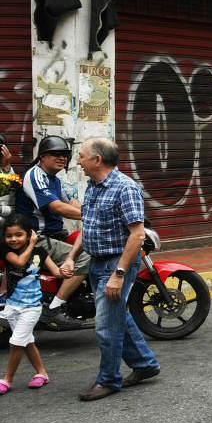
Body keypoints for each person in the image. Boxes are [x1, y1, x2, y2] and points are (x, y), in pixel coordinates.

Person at [69, 138, 160, 401]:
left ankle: (108, 380)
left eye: (82, 156)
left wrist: (118, 274)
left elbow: (137, 235)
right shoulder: (93, 187)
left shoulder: (125, 188)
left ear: (97, 160)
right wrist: (72, 257)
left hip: (115, 263)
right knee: (118, 317)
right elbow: (88, 227)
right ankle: (144, 364)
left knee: (106, 327)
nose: (78, 161)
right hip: (97, 262)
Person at [15, 136, 90, 328]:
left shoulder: (54, 180)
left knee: (90, 242)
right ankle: (55, 308)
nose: (62, 158)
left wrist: (96, 210)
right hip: (36, 238)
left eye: (64, 154)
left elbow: (70, 202)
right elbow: (56, 206)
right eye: (56, 154)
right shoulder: (36, 175)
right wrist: (91, 215)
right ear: (42, 157)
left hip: (55, 235)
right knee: (86, 258)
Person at [0, 214, 63, 395]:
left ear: (28, 234)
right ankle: (42, 374)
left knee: (17, 342)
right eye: (9, 235)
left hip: (32, 307)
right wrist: (32, 244)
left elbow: (56, 272)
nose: (13, 239)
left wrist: (67, 269)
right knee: (26, 341)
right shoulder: (7, 252)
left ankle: (7, 379)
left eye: (19, 235)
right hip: (12, 306)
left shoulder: (41, 253)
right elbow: (20, 262)